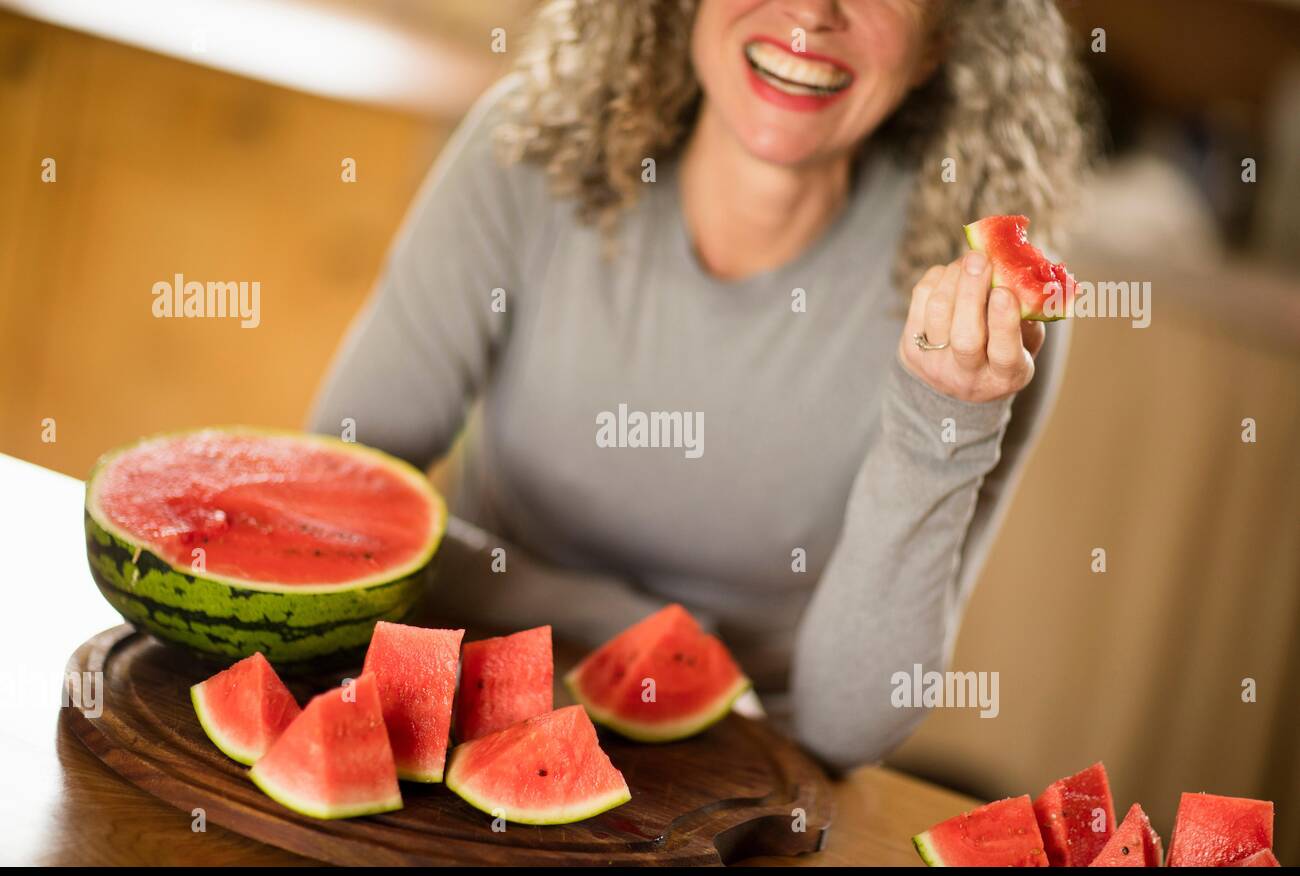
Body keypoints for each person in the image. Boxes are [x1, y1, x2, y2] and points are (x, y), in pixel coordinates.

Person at [311, 0, 1093, 771]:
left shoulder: (981, 317)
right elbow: (337, 514)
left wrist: (943, 420)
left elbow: (849, 727)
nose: (813, 13)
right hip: (468, 709)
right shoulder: (526, 151)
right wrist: (623, 621)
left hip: (743, 774)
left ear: (940, 38)